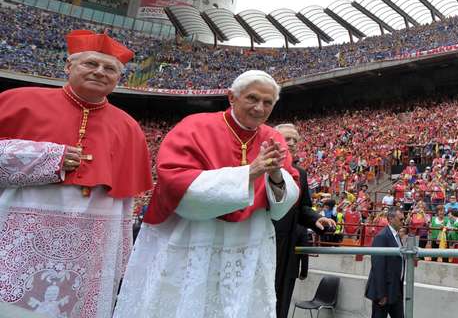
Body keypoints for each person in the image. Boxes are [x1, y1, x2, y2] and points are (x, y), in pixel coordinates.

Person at [113, 70, 301, 318]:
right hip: (194, 235)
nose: (259, 108)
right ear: (232, 97)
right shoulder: (195, 126)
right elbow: (175, 182)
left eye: (267, 102)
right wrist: (250, 172)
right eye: (252, 98)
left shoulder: (273, 137)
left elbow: (283, 202)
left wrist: (276, 175)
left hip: (247, 240)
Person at [0, 30, 153, 318]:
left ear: (118, 78)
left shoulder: (129, 127)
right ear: (69, 67)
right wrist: (46, 156)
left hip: (92, 243)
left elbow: (124, 202)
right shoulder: (17, 100)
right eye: (90, 64)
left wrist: (120, 258)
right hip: (20, 232)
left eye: (109, 68)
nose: (100, 72)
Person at [273, 123, 336, 318]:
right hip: (264, 244)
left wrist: (316, 219)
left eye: (295, 140)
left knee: (282, 303)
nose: (291, 143)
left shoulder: (300, 173)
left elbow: (302, 208)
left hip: (288, 251)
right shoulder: (258, 167)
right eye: (286, 138)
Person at [365, 207, 405, 318]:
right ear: (391, 219)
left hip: (396, 289)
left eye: (403, 219)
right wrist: (381, 294)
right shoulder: (382, 236)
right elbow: (378, 267)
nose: (403, 221)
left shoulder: (397, 236)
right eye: (400, 219)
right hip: (384, 291)